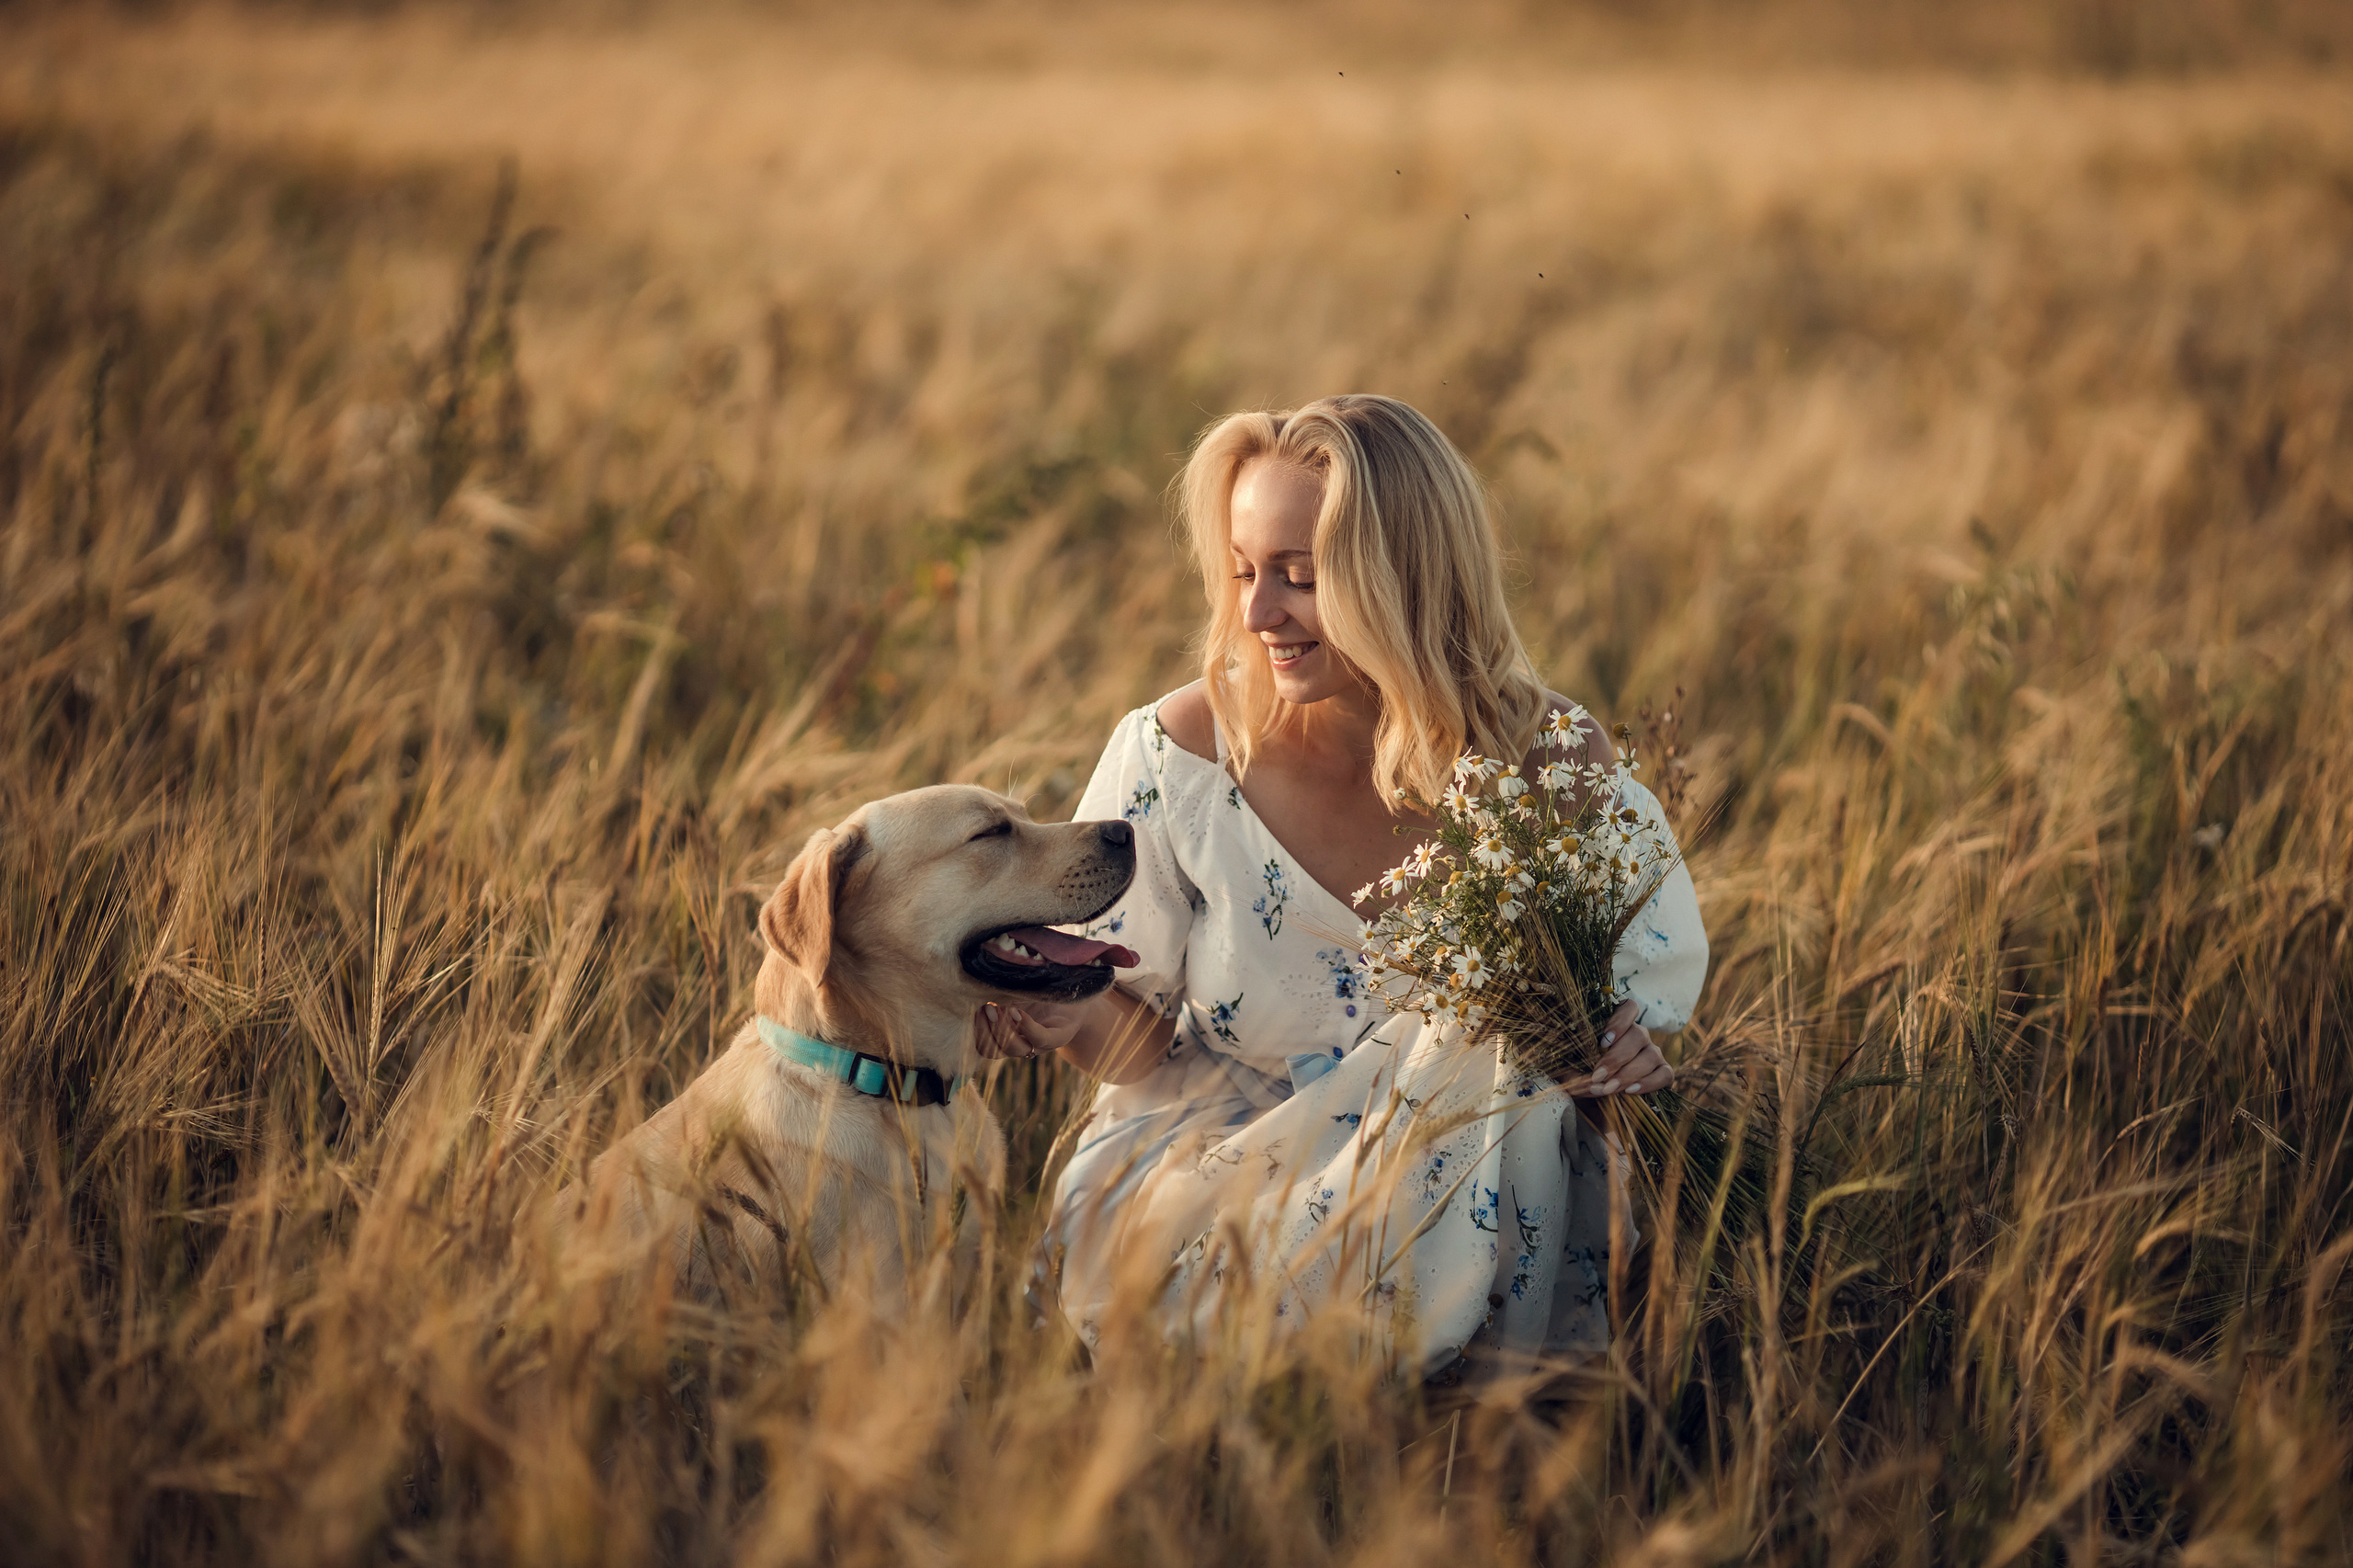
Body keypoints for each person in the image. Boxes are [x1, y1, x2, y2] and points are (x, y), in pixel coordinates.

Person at [978, 395, 1707, 1379]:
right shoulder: (1180, 756)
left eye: (1300, 576)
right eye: (1241, 570)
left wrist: (1620, 1043)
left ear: (1404, 576)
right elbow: (1140, 1038)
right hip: (1229, 1171)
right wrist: (1069, 1022)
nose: (1254, 612)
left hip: (1483, 1183)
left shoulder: (1550, 760)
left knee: (1498, 1074)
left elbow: (1621, 1001)